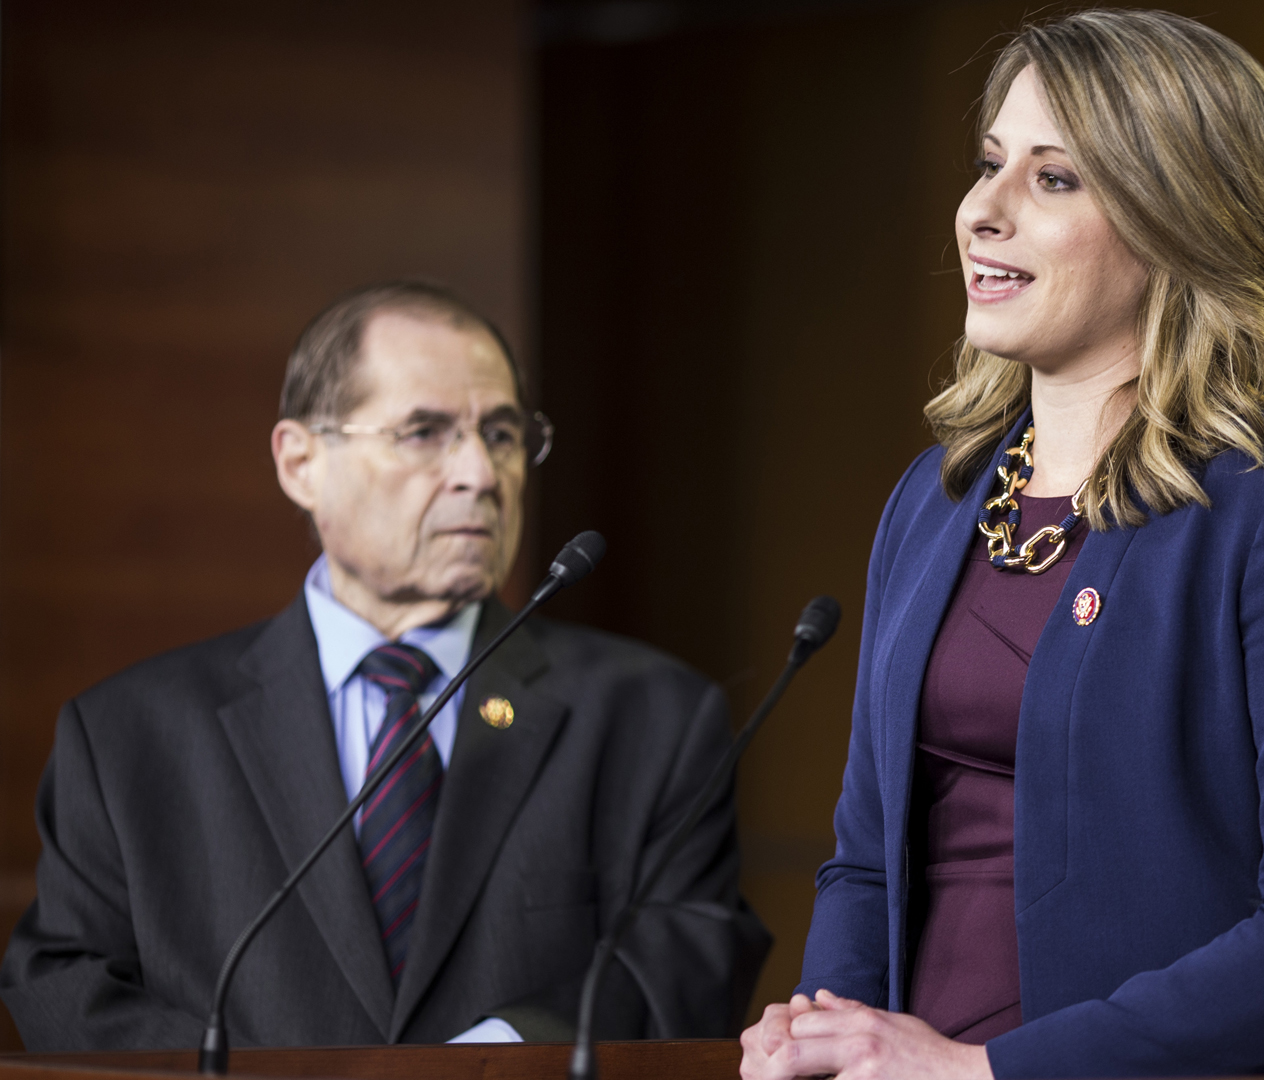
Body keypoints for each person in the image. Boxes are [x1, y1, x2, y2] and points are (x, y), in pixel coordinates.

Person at [740, 11, 1264, 1079]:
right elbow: (866, 865)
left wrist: (984, 1074)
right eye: (988, 164)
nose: (983, 210)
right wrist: (828, 1033)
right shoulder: (936, 497)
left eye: (1054, 179)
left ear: (1178, 219)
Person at [0, 281, 769, 1050]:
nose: (479, 473)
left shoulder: (651, 717)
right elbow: (64, 985)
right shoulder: (127, 736)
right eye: (425, 432)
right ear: (301, 462)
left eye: (501, 434)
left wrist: (482, 1067)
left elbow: (685, 967)